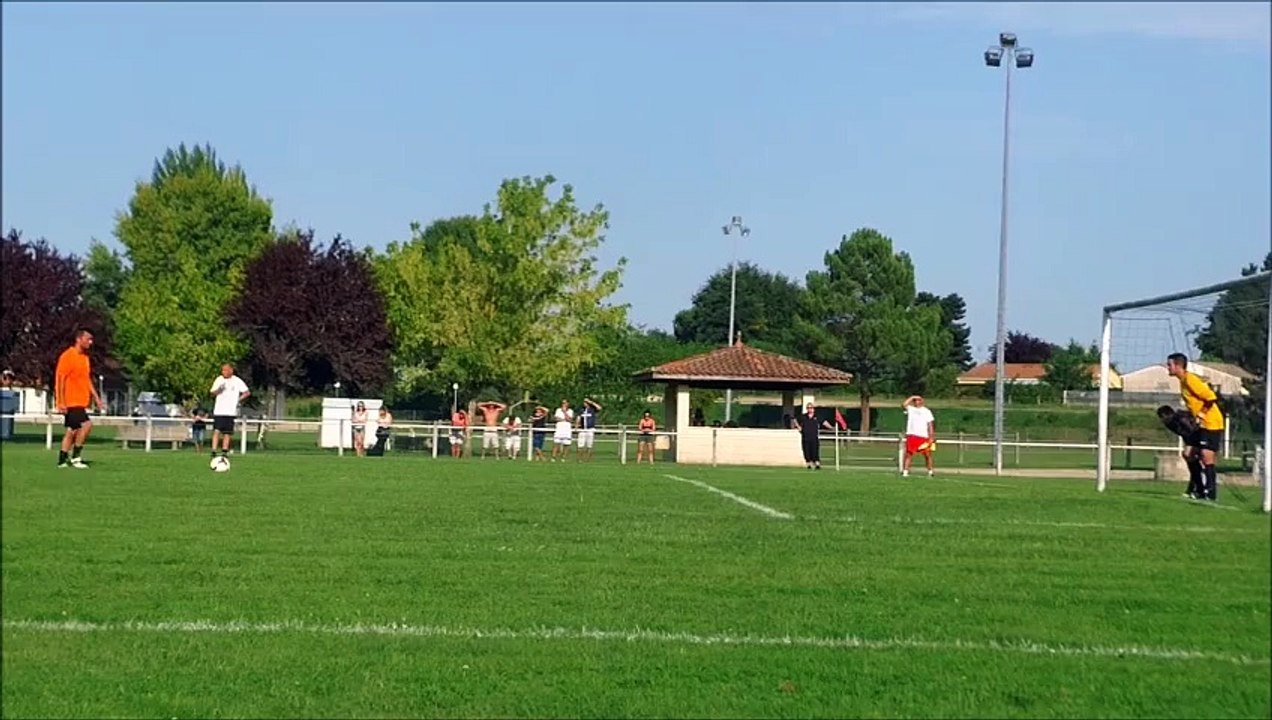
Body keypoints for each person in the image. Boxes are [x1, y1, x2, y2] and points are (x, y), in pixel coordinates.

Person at [1166, 353, 1224, 501]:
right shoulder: (1183, 381)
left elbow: (1211, 398)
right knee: (1188, 454)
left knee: (1206, 455)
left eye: (1169, 364)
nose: (1168, 367)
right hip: (1201, 424)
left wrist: (1202, 415)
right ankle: (1198, 489)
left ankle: (1210, 493)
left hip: (1211, 422)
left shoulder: (1191, 379)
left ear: (1178, 366)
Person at [54, 329, 105, 468]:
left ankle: (62, 459)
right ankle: (76, 457)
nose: (90, 342)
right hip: (71, 401)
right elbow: (60, 379)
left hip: (81, 401)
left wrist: (96, 398)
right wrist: (60, 401)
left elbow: (86, 380)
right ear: (79, 339)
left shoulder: (85, 358)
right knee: (86, 425)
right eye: (88, 339)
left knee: (72, 430)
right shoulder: (67, 356)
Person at [1156, 405, 1205, 499]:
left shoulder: (1180, 418)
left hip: (1198, 437)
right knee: (1191, 462)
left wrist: (1196, 446)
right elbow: (1184, 433)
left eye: (1161, 417)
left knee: (1189, 457)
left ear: (1166, 415)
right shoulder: (1170, 423)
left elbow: (1192, 429)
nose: (1161, 420)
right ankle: (1196, 487)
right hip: (1191, 439)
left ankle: (1198, 488)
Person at [209, 364, 250, 459]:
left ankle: (224, 451)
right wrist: (219, 390)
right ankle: (214, 450)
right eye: (223, 370)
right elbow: (212, 392)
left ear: (231, 370)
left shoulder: (237, 381)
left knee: (227, 432)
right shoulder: (219, 380)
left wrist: (238, 400)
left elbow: (246, 392)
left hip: (230, 411)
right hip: (219, 410)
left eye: (226, 370)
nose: (224, 372)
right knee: (217, 430)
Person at [901, 395, 936, 477]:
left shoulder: (927, 411)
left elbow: (930, 424)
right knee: (909, 454)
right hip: (912, 435)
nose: (916, 402)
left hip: (923, 436)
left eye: (918, 400)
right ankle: (905, 472)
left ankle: (930, 472)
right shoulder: (911, 409)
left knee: (927, 455)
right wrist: (912, 397)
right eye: (915, 400)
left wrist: (931, 436)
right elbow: (904, 405)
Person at [792, 402, 832, 470]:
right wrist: (798, 427)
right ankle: (809, 465)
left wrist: (831, 428)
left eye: (811, 408)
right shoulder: (803, 416)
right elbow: (794, 420)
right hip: (805, 438)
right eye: (808, 408)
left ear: (813, 409)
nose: (809, 409)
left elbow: (824, 422)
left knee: (815, 452)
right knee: (807, 452)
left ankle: (817, 464)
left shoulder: (817, 416)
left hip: (814, 438)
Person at [576, 398, 603, 462]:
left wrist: (591, 402)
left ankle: (587, 459)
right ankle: (580, 458)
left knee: (589, 445)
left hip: (590, 429)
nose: (585, 403)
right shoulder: (581, 410)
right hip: (582, 429)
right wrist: (576, 425)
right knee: (580, 444)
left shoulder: (592, 409)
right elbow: (578, 417)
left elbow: (599, 408)